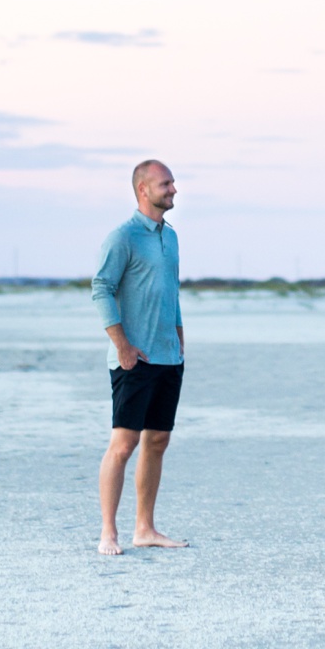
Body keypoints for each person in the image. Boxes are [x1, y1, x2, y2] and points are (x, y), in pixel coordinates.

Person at [90, 159, 187, 556]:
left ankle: (144, 528)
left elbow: (172, 293)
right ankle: (108, 533)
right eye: (166, 184)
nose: (174, 189)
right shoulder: (123, 237)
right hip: (134, 357)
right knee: (124, 444)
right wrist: (122, 345)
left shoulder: (172, 236)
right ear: (143, 189)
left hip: (168, 355)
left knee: (158, 440)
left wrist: (180, 338)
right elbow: (101, 289)